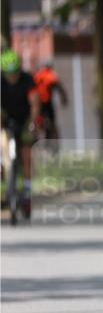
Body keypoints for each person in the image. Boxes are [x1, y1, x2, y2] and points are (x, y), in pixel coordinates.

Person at [1, 49, 40, 215]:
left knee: (27, 153)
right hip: (6, 120)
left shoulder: (28, 79)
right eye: (9, 74)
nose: (13, 77)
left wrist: (32, 122)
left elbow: (35, 102)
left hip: (25, 120)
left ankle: (27, 190)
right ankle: (5, 177)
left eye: (15, 73)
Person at [33, 60, 68, 140]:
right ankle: (52, 139)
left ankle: (37, 136)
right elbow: (58, 86)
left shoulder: (37, 75)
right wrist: (64, 98)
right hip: (46, 102)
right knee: (51, 123)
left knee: (38, 122)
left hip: (38, 103)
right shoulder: (49, 74)